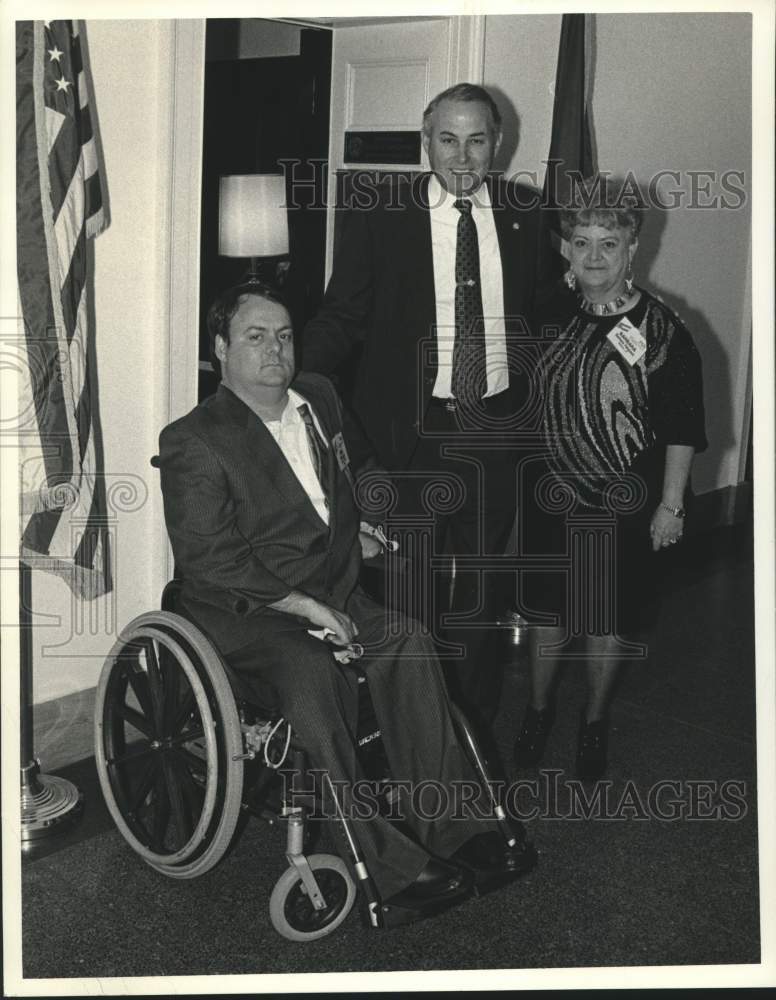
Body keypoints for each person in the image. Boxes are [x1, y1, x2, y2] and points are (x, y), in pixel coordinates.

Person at [158, 281, 536, 922]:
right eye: (255, 336)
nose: (275, 349)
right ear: (220, 347)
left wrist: (368, 518)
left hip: (333, 587)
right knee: (313, 675)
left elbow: (351, 470)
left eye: (283, 335)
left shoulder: (320, 397)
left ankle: (454, 828)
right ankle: (388, 866)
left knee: (409, 640)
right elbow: (210, 557)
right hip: (242, 613)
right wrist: (305, 609)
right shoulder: (195, 439)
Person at [303, 83, 550, 736]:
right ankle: (415, 732)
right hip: (410, 433)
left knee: (485, 588)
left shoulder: (529, 214)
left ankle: (472, 734)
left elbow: (550, 318)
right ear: (425, 140)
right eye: (447, 140)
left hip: (497, 427)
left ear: (498, 143)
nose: (462, 158)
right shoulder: (381, 212)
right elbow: (343, 316)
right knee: (410, 590)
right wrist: (291, 374)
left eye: (476, 141)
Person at [515, 176, 707, 779]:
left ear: (633, 248)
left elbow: (683, 427)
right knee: (549, 611)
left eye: (609, 242)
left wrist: (671, 506)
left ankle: (593, 720)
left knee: (608, 614)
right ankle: (538, 710)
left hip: (627, 500)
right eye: (581, 241)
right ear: (565, 246)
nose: (594, 255)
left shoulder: (665, 329)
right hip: (551, 495)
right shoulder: (543, 313)